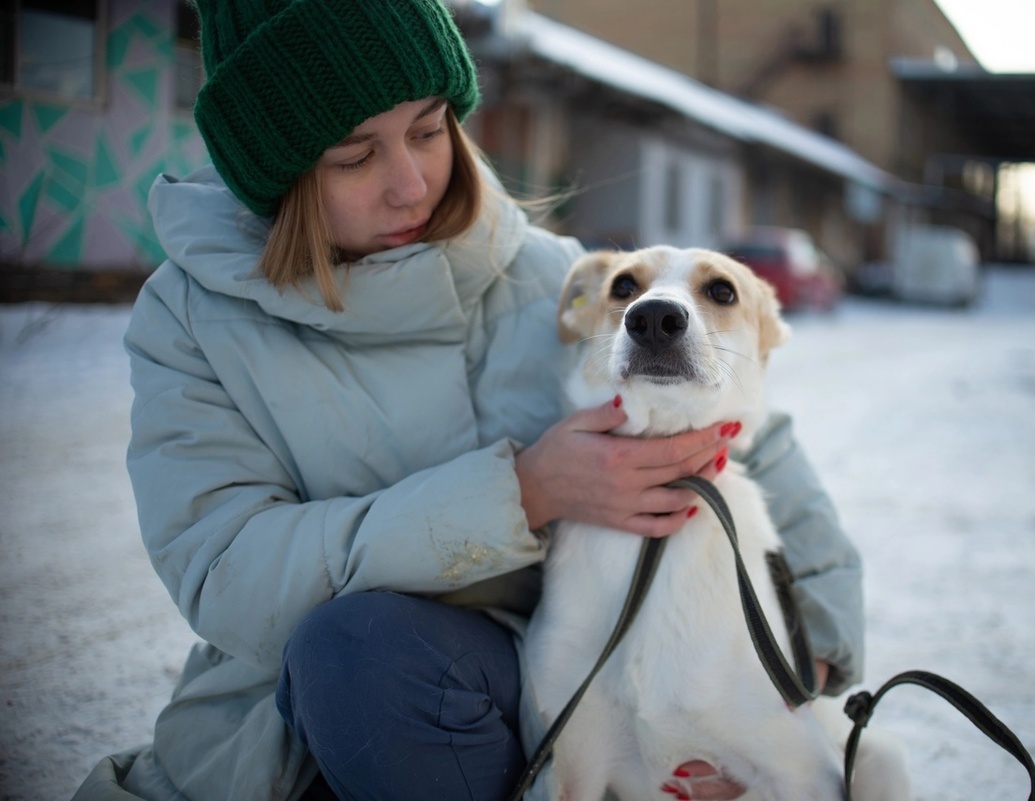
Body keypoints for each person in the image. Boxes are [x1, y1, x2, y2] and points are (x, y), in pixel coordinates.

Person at [72, 1, 864, 799]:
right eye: (354, 156)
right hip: (320, 707)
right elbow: (227, 572)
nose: (411, 184)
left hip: (548, 690)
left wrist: (789, 683)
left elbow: (750, 445)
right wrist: (521, 493)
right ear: (279, 171)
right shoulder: (195, 321)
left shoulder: (547, 277)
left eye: (428, 128)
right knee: (358, 651)